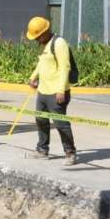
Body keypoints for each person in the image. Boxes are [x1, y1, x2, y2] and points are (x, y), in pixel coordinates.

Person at [25, 16, 77, 165]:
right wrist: (33, 77)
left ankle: (70, 153)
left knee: (61, 124)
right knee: (41, 120)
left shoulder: (59, 43)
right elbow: (41, 63)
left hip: (56, 93)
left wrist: (61, 90)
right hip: (43, 91)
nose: (36, 40)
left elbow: (64, 67)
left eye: (37, 36)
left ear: (45, 32)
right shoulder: (44, 44)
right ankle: (42, 150)